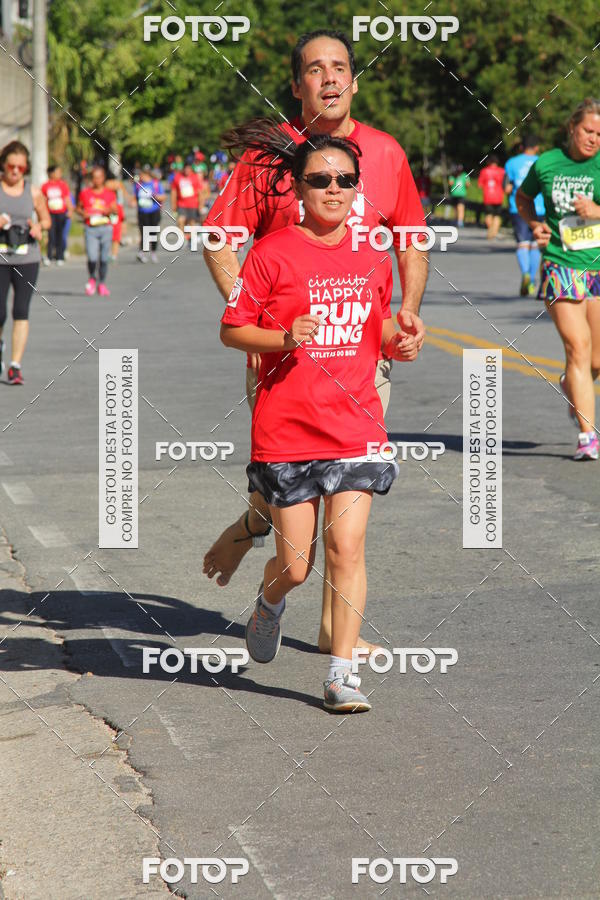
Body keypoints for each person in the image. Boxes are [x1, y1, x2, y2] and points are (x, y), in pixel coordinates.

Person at [202, 29, 426, 654]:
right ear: (296, 84)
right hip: (284, 361)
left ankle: (336, 638)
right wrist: (257, 320)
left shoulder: (386, 153)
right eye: (314, 68)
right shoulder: (267, 158)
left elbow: (410, 238)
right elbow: (220, 240)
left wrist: (406, 312)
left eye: (340, 67)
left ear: (354, 79)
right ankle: (253, 525)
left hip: (362, 355)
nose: (329, 78)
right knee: (291, 491)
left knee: (345, 509)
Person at [220, 130, 420, 711]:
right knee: (296, 567)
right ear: (299, 188)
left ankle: (341, 676)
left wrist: (399, 340)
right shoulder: (270, 252)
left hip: (356, 425)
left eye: (345, 180)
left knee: (346, 548)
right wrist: (284, 338)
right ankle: (269, 601)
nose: (334, 189)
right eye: (320, 179)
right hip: (288, 430)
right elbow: (232, 330)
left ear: (357, 189)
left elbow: (377, 326)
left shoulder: (372, 254)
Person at [517, 97, 600, 461]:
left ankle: (571, 384)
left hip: (597, 266)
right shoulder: (547, 163)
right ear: (572, 128)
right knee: (578, 347)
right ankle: (587, 436)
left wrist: (596, 211)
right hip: (559, 264)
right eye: (588, 131)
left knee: (596, 360)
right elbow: (523, 197)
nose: (594, 139)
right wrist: (535, 224)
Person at [0, 140, 50, 384]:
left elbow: (46, 219)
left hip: (27, 258)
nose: (16, 171)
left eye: (21, 167)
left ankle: (15, 366)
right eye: (12, 166)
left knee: (21, 310)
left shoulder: (33, 191)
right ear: (3, 164)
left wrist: (39, 227)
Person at [504, 135, 545, 295]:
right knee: (535, 244)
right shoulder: (543, 162)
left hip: (519, 208)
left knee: (522, 244)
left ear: (522, 147)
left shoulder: (511, 163)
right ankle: (532, 279)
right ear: (537, 147)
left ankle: (525, 274)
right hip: (540, 208)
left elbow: (507, 188)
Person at [76, 165, 118, 297]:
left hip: (105, 228)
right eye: (94, 178)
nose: (97, 180)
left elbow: (115, 209)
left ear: (103, 178)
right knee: (92, 257)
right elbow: (78, 208)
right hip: (91, 229)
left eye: (99, 177)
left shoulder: (109, 194)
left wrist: (108, 210)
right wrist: (83, 214)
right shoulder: (85, 193)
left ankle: (102, 283)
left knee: (104, 258)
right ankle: (92, 278)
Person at [132, 164, 165, 263]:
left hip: (153, 212)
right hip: (142, 212)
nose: (140, 176)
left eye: (142, 175)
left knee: (153, 232)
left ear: (147, 175)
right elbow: (135, 197)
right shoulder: (138, 185)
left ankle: (153, 252)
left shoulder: (155, 184)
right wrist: (133, 202)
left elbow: (163, 197)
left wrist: (155, 196)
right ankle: (141, 252)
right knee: (143, 232)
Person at [41, 164, 72, 265]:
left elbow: (67, 198)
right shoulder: (45, 186)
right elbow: (43, 200)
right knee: (51, 235)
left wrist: (70, 210)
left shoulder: (63, 185)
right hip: (50, 214)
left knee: (60, 234)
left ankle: (60, 256)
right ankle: (49, 256)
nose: (59, 174)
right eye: (57, 172)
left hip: (61, 213)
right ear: (51, 173)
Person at [171, 155, 207, 237]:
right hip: (181, 204)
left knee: (192, 223)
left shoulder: (195, 177)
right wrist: (173, 204)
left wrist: (201, 205)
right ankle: (182, 238)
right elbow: (174, 192)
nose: (187, 170)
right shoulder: (178, 177)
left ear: (191, 169)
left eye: (189, 168)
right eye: (186, 168)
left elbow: (200, 192)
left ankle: (191, 239)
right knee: (181, 220)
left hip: (193, 204)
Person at [478, 155, 505, 239]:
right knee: (497, 215)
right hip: (499, 197)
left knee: (488, 214)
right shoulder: (502, 171)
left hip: (488, 196)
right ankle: (494, 232)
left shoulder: (484, 171)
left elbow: (480, 185)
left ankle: (491, 230)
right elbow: (505, 184)